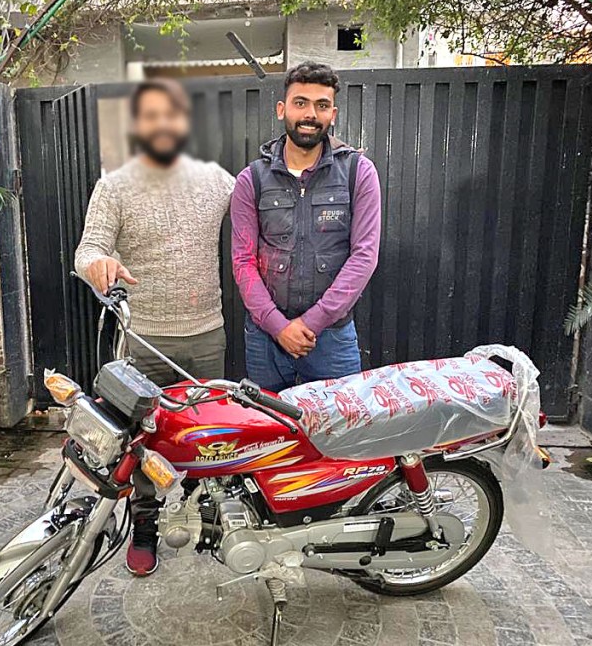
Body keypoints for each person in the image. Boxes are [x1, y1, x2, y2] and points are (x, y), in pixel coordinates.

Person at [75, 79, 234, 576]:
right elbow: (87, 249)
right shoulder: (115, 186)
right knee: (142, 441)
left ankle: (207, 515)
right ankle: (144, 523)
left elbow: (266, 202)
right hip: (141, 339)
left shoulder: (217, 181)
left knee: (211, 436)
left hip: (206, 335)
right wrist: (98, 265)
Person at [231, 61, 382, 392]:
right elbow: (243, 262)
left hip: (332, 338)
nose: (310, 114)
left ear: (333, 114)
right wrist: (278, 326)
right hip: (265, 339)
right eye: (300, 102)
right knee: (268, 424)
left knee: (340, 424)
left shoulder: (358, 173)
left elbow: (364, 256)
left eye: (322, 105)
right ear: (282, 109)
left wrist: (311, 322)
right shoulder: (251, 180)